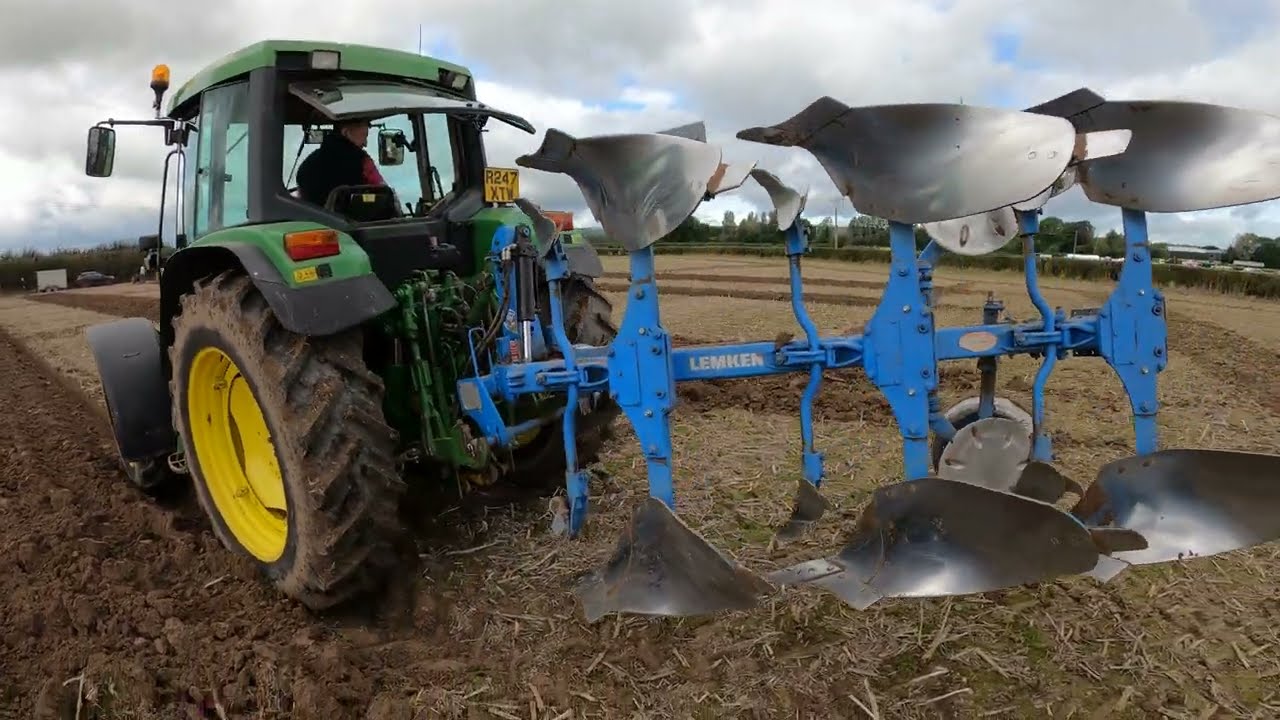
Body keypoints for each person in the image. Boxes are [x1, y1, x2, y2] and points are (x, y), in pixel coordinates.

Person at [295, 119, 387, 206]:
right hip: (355, 221)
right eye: (364, 136)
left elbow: (301, 201)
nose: (365, 143)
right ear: (346, 133)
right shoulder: (363, 162)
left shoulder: (308, 164)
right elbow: (385, 193)